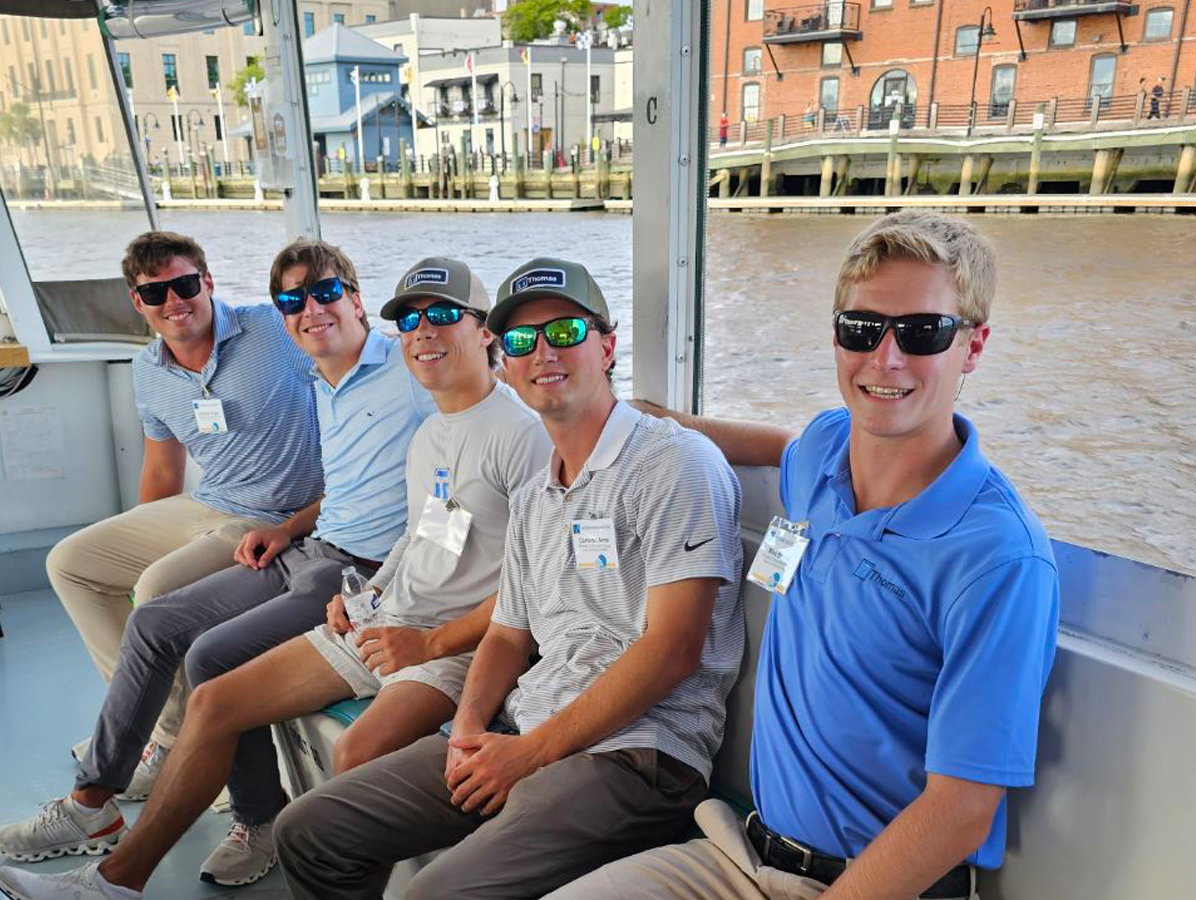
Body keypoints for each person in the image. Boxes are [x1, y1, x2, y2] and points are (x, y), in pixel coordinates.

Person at [547, 211, 1060, 900]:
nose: (887, 358)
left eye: (923, 332)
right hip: (741, 854)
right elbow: (784, 446)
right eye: (861, 329)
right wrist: (668, 425)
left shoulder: (999, 560)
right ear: (836, 337)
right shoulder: (822, 454)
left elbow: (962, 812)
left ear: (973, 347)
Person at [272, 257, 745, 900]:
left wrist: (531, 753)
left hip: (637, 757)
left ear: (606, 347)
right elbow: (506, 634)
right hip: (523, 726)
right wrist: (469, 730)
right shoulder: (536, 494)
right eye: (522, 340)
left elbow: (673, 650)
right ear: (507, 361)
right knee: (310, 829)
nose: (542, 352)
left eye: (564, 333)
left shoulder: (673, 463)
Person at [0, 241, 436, 895]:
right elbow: (342, 487)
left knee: (210, 657)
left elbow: (469, 469)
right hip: (301, 542)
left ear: (356, 300)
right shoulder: (320, 381)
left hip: (351, 570)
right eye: (293, 301)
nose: (309, 311)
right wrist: (288, 529)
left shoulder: (409, 371)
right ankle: (93, 801)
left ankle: (253, 821)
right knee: (154, 621)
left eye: (324, 294)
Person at [43, 231, 323, 798]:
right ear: (137, 303)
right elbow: (162, 471)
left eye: (185, 284)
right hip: (204, 503)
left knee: (154, 593)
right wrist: (151, 537)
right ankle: (160, 728)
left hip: (275, 514)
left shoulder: (273, 329)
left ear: (208, 282)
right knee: (69, 563)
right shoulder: (147, 370)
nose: (174, 302)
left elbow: (348, 354)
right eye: (156, 293)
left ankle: (167, 740)